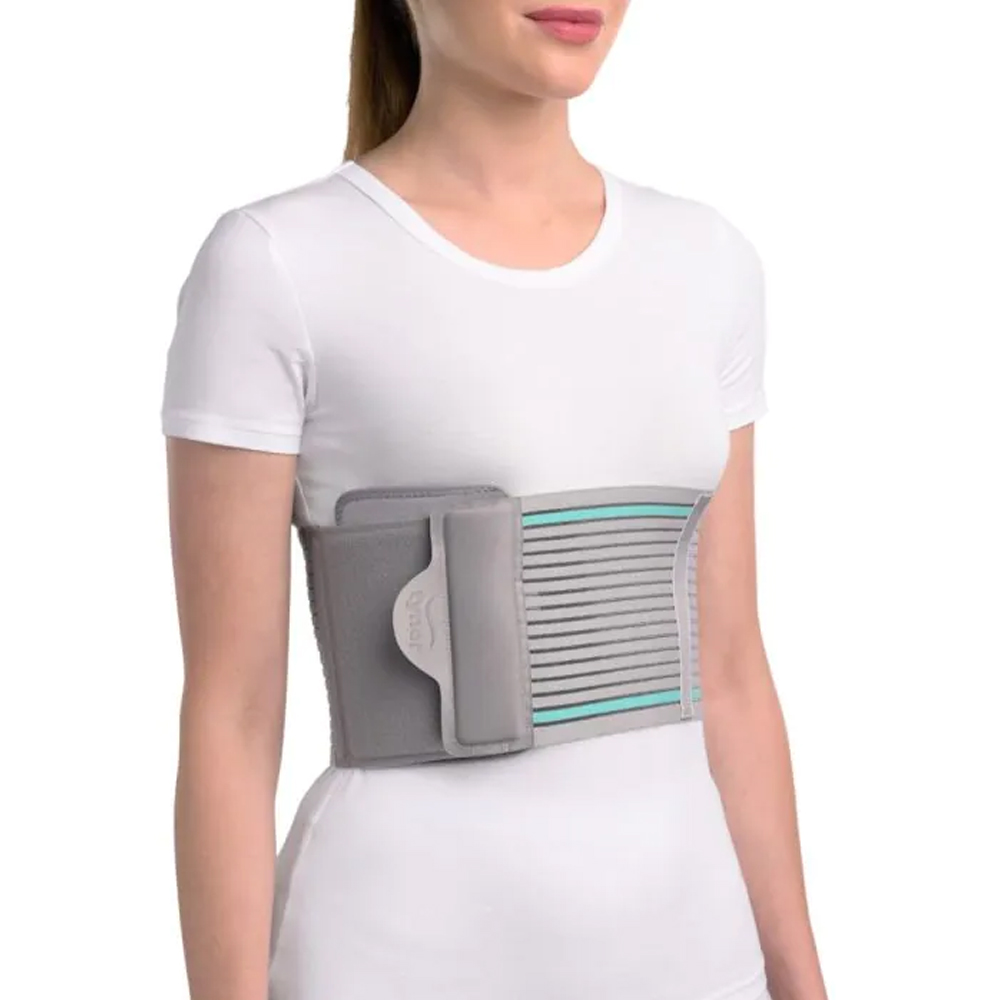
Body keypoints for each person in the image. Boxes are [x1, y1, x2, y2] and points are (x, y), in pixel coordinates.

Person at [160, 2, 828, 999]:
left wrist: (801, 979)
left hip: (694, 956)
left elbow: (730, 672)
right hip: (394, 958)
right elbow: (232, 714)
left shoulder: (708, 263)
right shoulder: (278, 263)